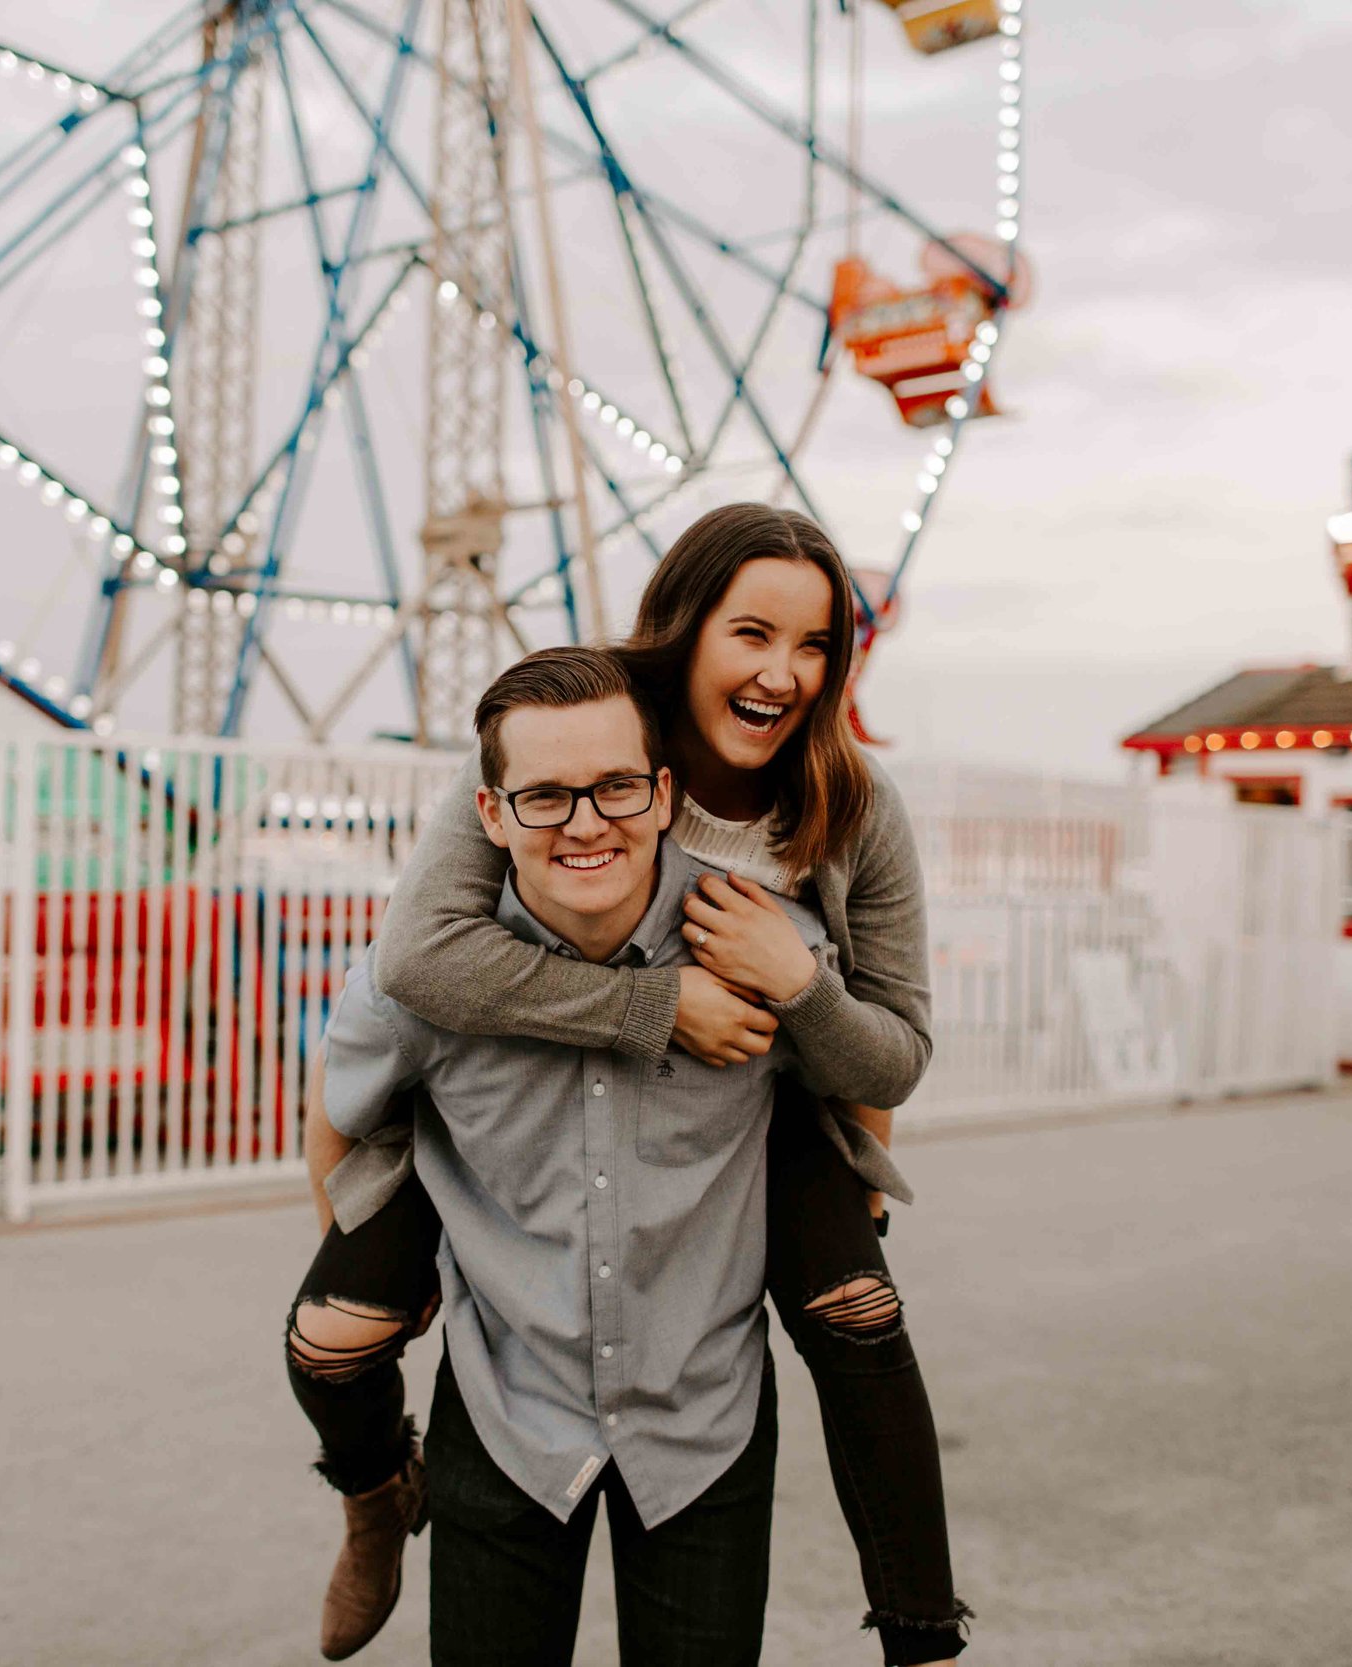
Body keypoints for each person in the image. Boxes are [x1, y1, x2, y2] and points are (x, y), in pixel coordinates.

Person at [289, 504, 969, 1665]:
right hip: (566, 1061)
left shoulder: (852, 806)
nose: (782, 672)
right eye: (752, 633)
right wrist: (658, 1007)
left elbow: (895, 1047)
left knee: (857, 1311)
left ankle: (919, 1626)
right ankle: (375, 1495)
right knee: (333, 1331)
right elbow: (414, 960)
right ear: (683, 631)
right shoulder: (571, 744)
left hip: (781, 1086)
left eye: (814, 645)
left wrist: (798, 989)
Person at [307, 645, 824, 1663]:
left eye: (617, 788)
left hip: (702, 1423)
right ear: (490, 815)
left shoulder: (758, 945)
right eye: (545, 796)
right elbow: (335, 1109)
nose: (586, 822)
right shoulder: (424, 980)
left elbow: (859, 1077)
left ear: (665, 793)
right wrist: (366, 1255)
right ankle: (373, 1495)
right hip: (505, 1416)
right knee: (320, 1338)